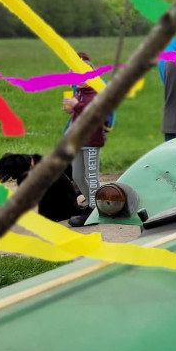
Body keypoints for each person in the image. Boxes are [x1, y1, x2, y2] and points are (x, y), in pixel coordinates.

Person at [63, 52, 112, 226]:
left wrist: (78, 106)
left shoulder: (95, 92)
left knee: (92, 177)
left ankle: (95, 210)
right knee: (77, 175)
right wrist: (71, 109)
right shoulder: (81, 92)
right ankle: (93, 204)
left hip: (91, 141)